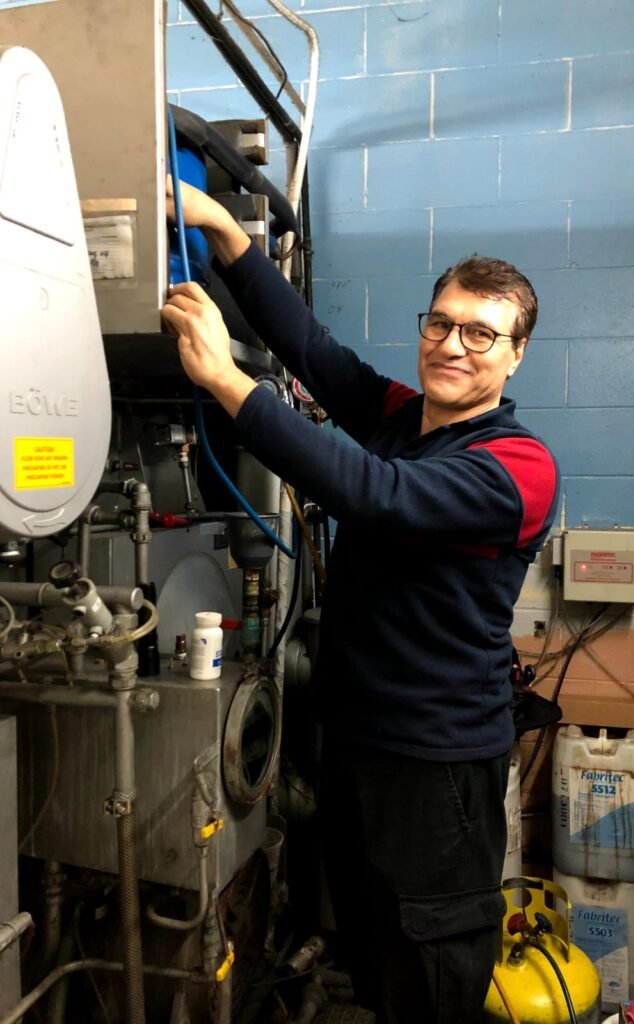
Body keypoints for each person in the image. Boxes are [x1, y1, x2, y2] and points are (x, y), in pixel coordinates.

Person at [162, 180, 560, 1024]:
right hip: (359, 750)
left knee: (430, 979)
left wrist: (227, 380)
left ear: (516, 354)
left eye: (481, 333)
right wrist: (224, 230)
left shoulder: (517, 466)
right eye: (441, 324)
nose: (453, 346)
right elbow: (317, 354)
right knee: (378, 965)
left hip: (436, 769)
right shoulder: (406, 420)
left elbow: (376, 495)